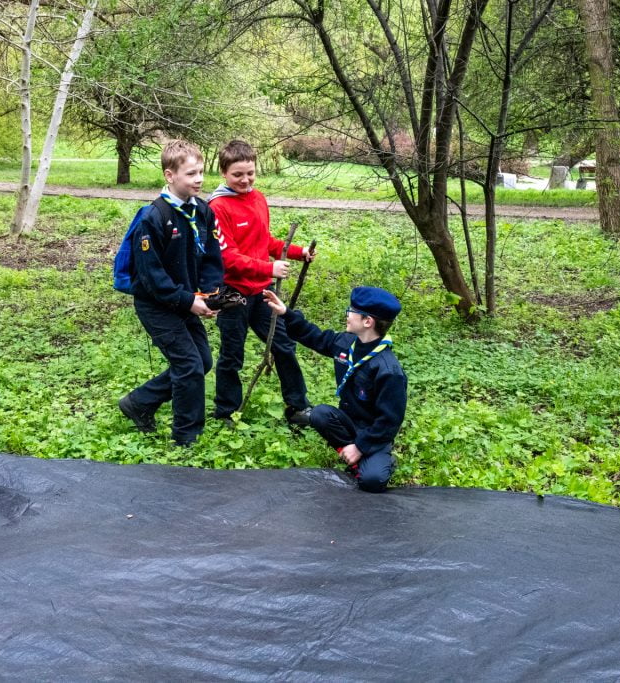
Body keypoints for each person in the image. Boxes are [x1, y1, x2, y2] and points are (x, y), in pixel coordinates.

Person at [117, 139, 225, 447]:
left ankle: (138, 403)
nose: (199, 179)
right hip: (157, 305)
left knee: (202, 361)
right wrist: (188, 301)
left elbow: (211, 257)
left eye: (201, 172)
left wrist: (209, 294)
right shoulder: (153, 218)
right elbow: (152, 276)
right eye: (191, 174)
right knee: (189, 365)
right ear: (170, 175)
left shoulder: (203, 211)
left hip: (187, 300)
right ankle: (186, 436)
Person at [208, 140, 316, 425]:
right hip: (234, 294)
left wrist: (298, 252)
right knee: (232, 355)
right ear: (223, 173)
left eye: (250, 173)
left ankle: (298, 407)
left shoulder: (258, 198)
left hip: (262, 293)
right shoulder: (217, 208)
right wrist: (268, 268)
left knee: (284, 346)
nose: (245, 180)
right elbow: (227, 258)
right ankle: (225, 412)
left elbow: (265, 241)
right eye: (237, 174)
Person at [263, 286, 407, 492]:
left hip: (375, 432)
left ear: (368, 322)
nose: (347, 314)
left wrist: (360, 447)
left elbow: (389, 421)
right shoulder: (346, 343)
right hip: (349, 422)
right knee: (320, 414)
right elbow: (315, 337)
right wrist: (286, 313)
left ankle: (372, 458)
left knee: (372, 481)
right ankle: (354, 459)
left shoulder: (388, 370)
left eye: (352, 311)